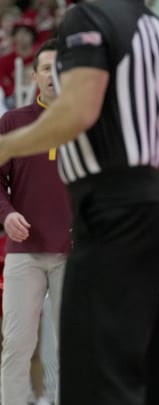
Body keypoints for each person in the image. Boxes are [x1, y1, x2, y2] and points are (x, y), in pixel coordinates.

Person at [0, 0, 159, 403]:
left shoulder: (89, 17)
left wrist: (4, 146)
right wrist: (151, 208)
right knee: (142, 360)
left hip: (109, 205)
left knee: (93, 363)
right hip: (155, 205)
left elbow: (77, 110)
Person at [0, 38, 69, 405]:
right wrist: (7, 213)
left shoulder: (91, 124)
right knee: (16, 343)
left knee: (73, 346)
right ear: (35, 75)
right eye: (46, 68)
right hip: (24, 252)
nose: (53, 75)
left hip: (74, 252)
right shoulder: (13, 122)